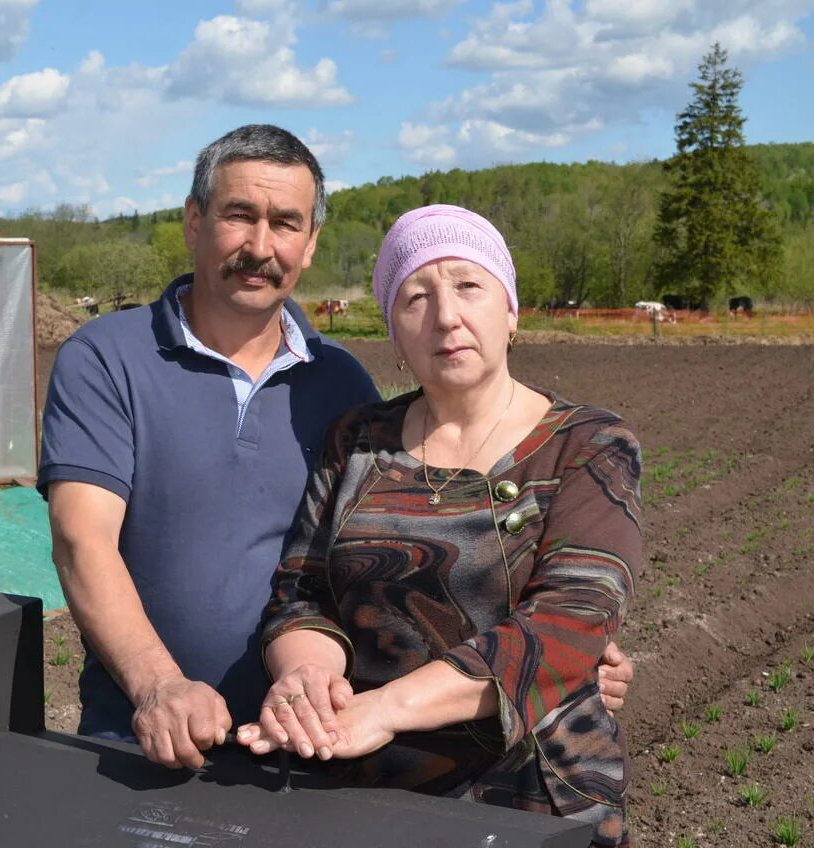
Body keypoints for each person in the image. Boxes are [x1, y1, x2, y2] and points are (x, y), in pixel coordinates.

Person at [38, 125, 634, 773]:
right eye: (239, 215)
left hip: (324, 751)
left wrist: (559, 656)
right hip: (157, 727)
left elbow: (419, 574)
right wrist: (160, 683)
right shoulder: (109, 357)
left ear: (311, 242)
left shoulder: (340, 383)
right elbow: (82, 540)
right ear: (193, 221)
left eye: (286, 223)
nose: (260, 246)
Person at [235, 204, 641, 846]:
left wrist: (383, 709)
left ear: (510, 310)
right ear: (394, 333)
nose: (446, 316)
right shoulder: (358, 440)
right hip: (365, 787)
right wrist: (306, 680)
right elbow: (301, 594)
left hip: (535, 795)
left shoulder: (585, 444)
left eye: (468, 286)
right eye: (415, 296)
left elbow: (571, 620)